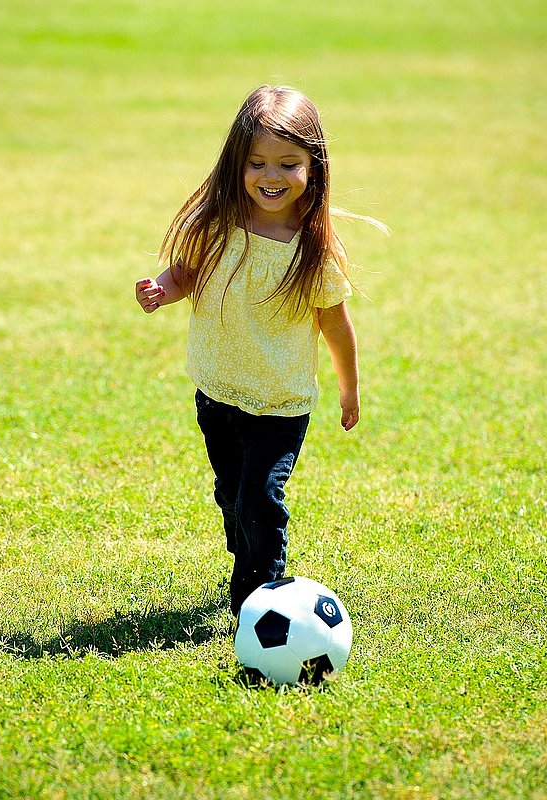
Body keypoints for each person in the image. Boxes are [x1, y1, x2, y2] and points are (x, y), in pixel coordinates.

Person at [134, 85, 382, 615]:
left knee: (259, 500)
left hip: (279, 402)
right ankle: (245, 561)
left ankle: (260, 598)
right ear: (236, 164)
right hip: (218, 391)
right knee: (231, 495)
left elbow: (336, 326)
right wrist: (162, 289)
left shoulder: (312, 252)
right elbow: (186, 273)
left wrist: (349, 390)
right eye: (258, 163)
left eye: (289, 163)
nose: (271, 177)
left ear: (313, 167)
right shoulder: (218, 226)